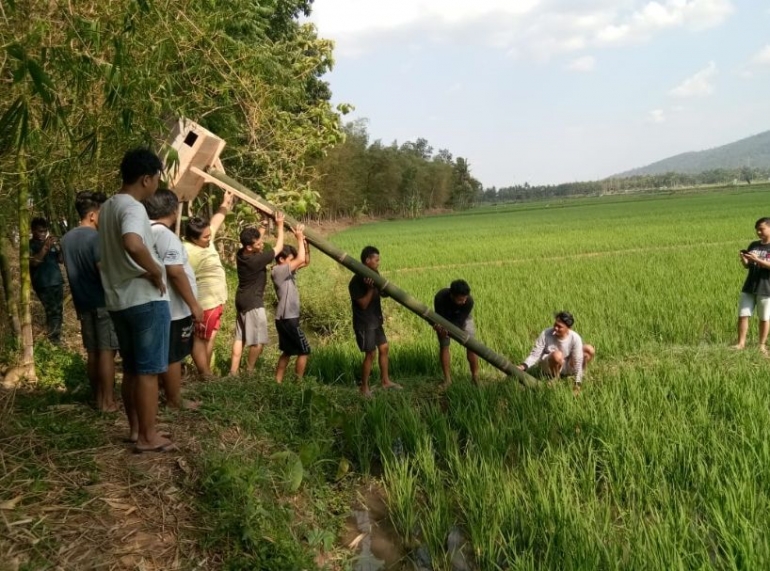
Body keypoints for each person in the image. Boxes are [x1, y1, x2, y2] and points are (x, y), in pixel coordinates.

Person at [99, 148, 174, 453]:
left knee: (131, 369)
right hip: (144, 300)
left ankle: (135, 430)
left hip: (119, 300)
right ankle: (148, 436)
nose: (157, 185)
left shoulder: (107, 207)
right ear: (146, 179)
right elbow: (132, 242)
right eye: (157, 179)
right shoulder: (133, 208)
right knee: (148, 371)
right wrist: (155, 270)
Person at [144, 189, 203, 409]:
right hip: (175, 308)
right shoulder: (164, 234)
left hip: (158, 303)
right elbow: (175, 272)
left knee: (164, 350)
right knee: (173, 354)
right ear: (173, 209)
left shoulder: (144, 231)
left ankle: (167, 389)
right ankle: (174, 399)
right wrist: (194, 305)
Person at [60, 191, 119, 412]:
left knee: (93, 351)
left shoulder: (66, 239)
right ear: (93, 215)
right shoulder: (97, 239)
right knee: (107, 351)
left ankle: (97, 398)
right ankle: (107, 402)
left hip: (83, 303)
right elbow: (104, 271)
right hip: (103, 302)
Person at [184, 192, 234, 378]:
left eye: (209, 236)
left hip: (216, 300)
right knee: (199, 338)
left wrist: (224, 204)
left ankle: (206, 371)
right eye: (205, 237)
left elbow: (215, 222)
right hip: (204, 303)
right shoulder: (187, 251)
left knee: (210, 336)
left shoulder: (205, 240)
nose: (208, 238)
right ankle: (204, 373)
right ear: (193, 238)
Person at [229, 213, 285, 375]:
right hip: (253, 302)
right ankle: (249, 371)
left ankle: (233, 372)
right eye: (259, 244)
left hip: (241, 299)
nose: (262, 245)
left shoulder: (241, 255)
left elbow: (255, 239)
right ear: (249, 247)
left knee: (240, 337)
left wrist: (262, 226)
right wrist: (279, 225)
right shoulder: (256, 260)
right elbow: (279, 248)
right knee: (258, 342)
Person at [349, 246, 402, 397]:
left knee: (384, 348)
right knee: (370, 353)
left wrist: (386, 289)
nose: (378, 263)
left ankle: (385, 381)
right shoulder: (356, 281)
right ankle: (364, 388)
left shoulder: (374, 274)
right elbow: (364, 304)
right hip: (364, 323)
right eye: (376, 260)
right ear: (367, 261)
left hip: (375, 320)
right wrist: (371, 289)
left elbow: (383, 293)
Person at [518, 311, 595, 393]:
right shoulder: (546, 333)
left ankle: (578, 375)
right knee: (557, 355)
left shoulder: (575, 338)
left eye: (559, 327)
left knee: (588, 349)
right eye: (555, 325)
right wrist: (523, 366)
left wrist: (577, 384)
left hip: (565, 364)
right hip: (549, 365)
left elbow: (578, 360)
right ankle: (555, 378)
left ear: (568, 328)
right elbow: (535, 355)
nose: (555, 328)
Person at [271, 225, 311, 383]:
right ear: (281, 259)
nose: (293, 262)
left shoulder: (287, 270)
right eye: (290, 259)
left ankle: (277, 382)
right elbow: (300, 260)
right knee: (304, 350)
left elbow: (305, 261)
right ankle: (298, 383)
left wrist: (305, 245)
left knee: (287, 351)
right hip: (288, 318)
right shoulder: (278, 270)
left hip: (285, 317)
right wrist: (300, 239)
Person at [433, 279, 478, 387]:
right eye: (460, 300)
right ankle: (447, 380)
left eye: (465, 298)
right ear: (452, 295)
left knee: (472, 346)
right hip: (444, 319)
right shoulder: (440, 297)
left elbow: (459, 322)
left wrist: (451, 330)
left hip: (462, 319)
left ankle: (475, 377)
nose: (463, 302)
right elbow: (439, 318)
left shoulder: (469, 301)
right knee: (444, 345)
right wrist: (440, 329)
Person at [735, 217, 770, 353]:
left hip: (766, 288)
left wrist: (758, 259)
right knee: (743, 315)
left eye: (762, 229)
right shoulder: (754, 245)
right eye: (757, 230)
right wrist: (744, 260)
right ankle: (741, 344)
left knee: (764, 317)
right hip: (750, 286)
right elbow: (748, 266)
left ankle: (761, 345)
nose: (759, 232)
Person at [29, 217, 64, 344]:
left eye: (45, 231)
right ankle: (54, 341)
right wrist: (45, 247)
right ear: (33, 230)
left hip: (57, 281)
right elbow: (34, 263)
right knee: (52, 311)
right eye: (40, 231)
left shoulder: (51, 244)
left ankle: (56, 338)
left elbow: (60, 260)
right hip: (43, 284)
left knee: (59, 311)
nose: (43, 234)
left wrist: (61, 247)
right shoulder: (30, 245)